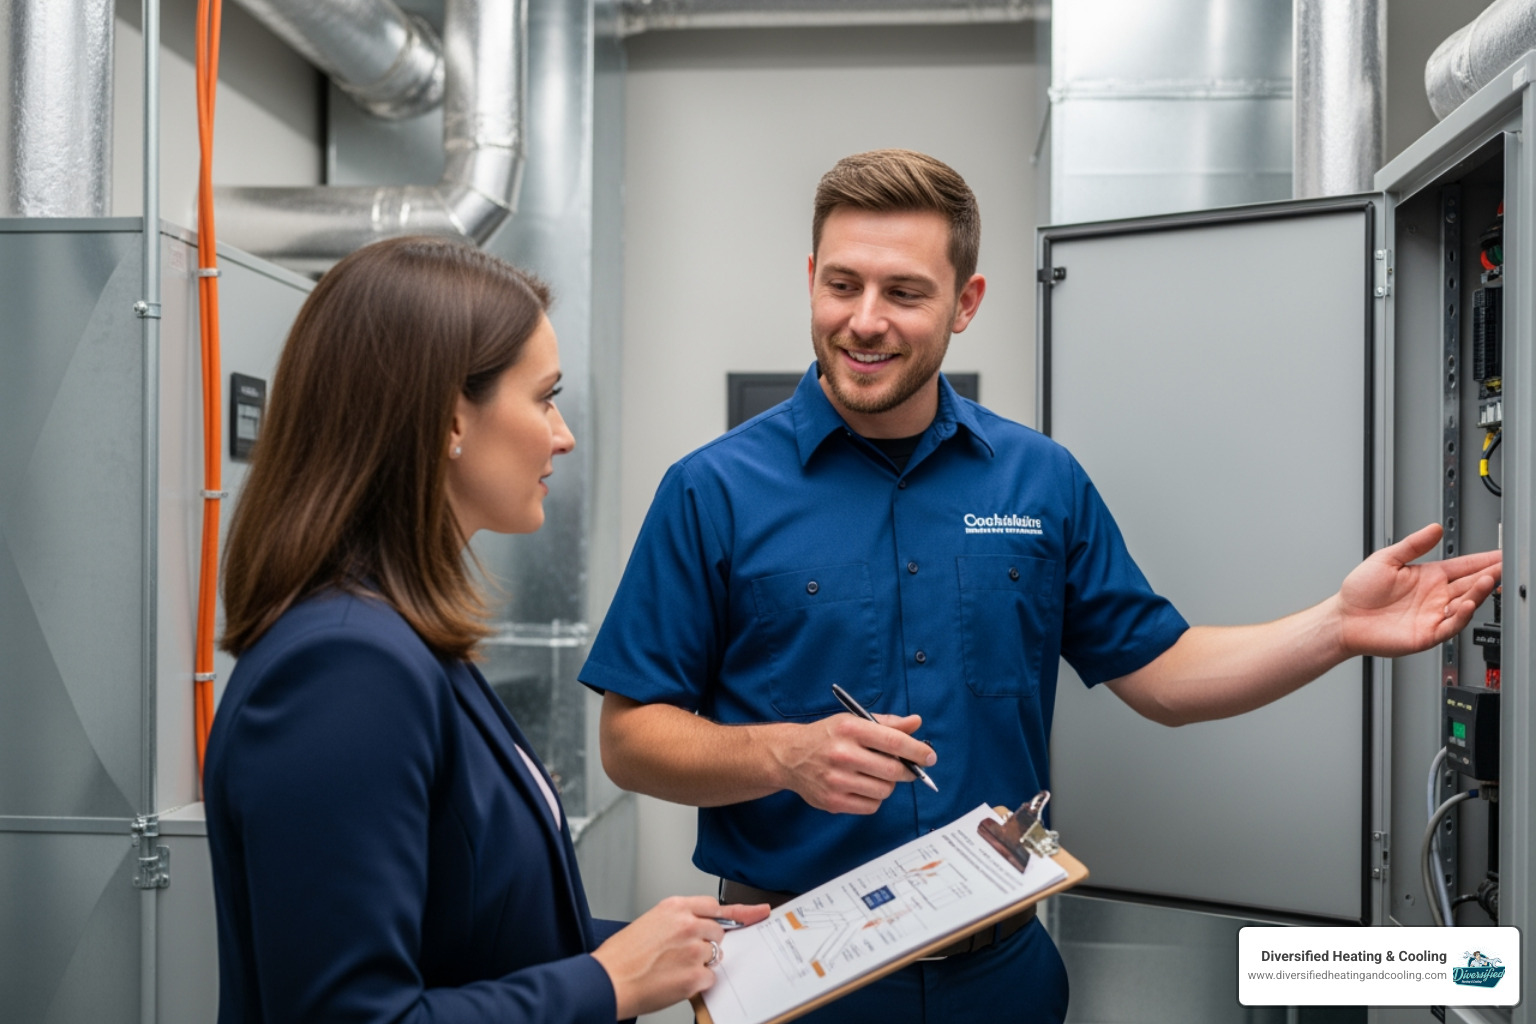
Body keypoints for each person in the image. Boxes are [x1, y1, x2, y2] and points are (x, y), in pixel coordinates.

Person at [579, 149, 1502, 1023]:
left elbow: (1166, 674)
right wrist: (783, 756)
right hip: (791, 973)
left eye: (905, 292)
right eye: (842, 284)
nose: (865, 320)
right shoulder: (713, 490)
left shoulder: (1038, 480)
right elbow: (629, 741)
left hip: (1002, 975)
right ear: (811, 276)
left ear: (966, 301)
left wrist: (1337, 624)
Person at [204, 236, 767, 1024]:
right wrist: (608, 983)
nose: (561, 435)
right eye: (544, 397)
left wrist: (668, 949)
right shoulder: (344, 668)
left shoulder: (403, 642)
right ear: (447, 420)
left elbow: (469, 939)